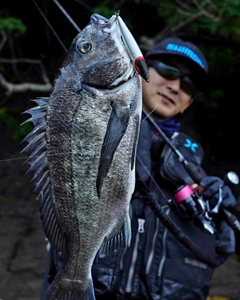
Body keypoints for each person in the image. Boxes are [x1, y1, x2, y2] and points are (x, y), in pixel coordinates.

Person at [41, 37, 237, 300]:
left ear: (189, 103)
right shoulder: (91, 124)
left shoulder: (195, 174)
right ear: (140, 68)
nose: (175, 86)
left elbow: (219, 250)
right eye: (168, 71)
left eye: (187, 85)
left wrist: (218, 213)